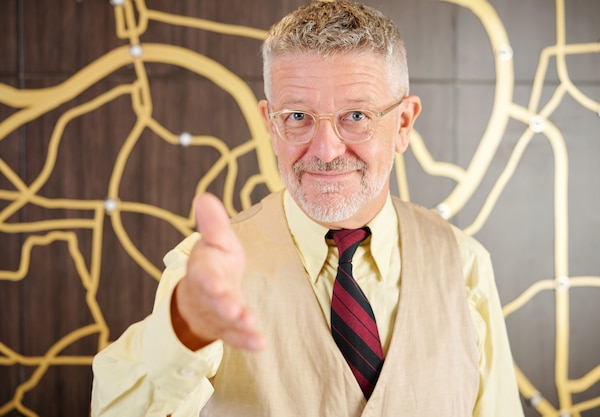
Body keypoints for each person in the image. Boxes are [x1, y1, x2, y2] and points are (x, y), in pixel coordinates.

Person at [91, 1, 525, 416]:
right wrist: (186, 328)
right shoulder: (204, 273)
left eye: (356, 115)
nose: (326, 149)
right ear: (270, 124)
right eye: (297, 116)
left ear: (403, 124)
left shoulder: (465, 266)